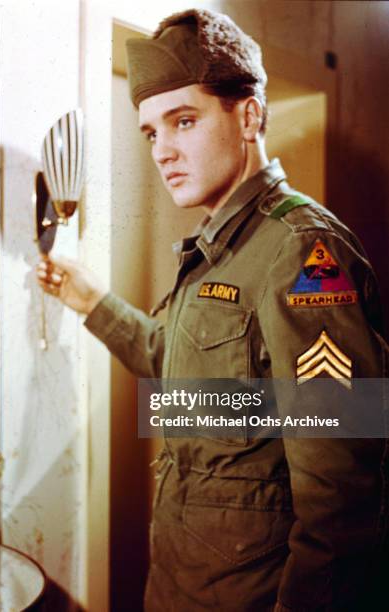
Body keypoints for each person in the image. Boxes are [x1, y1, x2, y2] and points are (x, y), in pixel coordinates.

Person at [38, 9, 388, 611]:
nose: (163, 150)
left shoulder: (301, 251)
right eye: (152, 132)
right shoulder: (218, 249)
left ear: (247, 115)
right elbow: (186, 376)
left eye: (184, 121)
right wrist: (92, 303)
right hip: (180, 583)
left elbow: (342, 494)